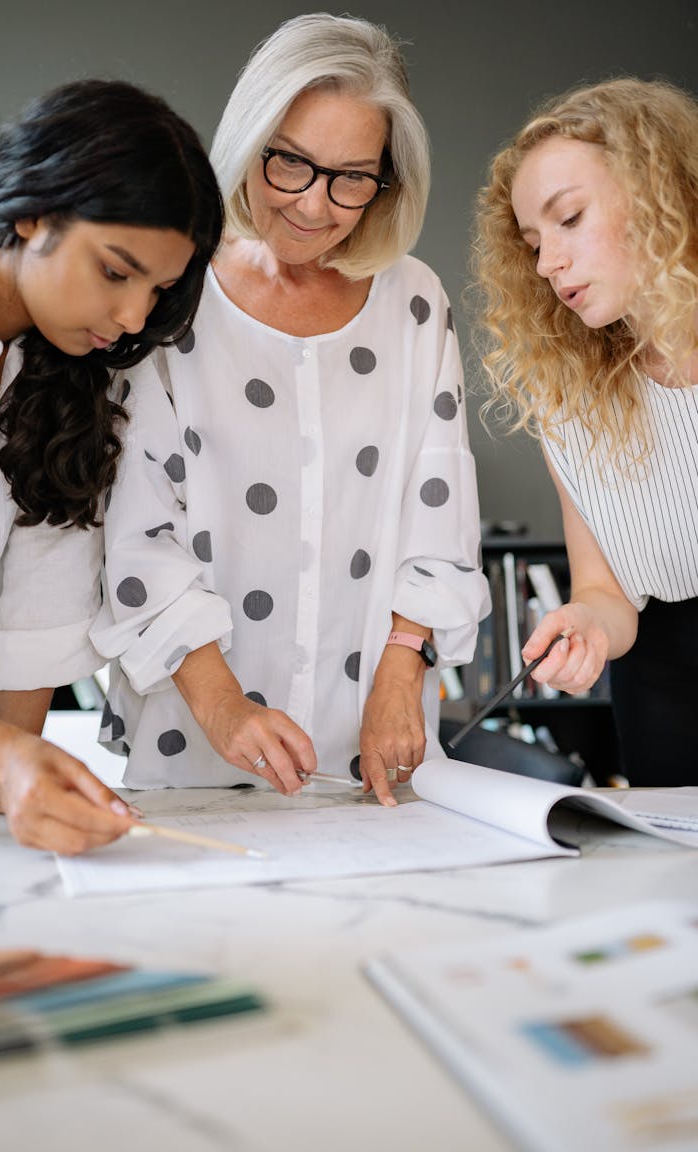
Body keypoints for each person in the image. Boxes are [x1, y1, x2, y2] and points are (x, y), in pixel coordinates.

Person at [91, 13, 490, 807]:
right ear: (251, 140)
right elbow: (137, 529)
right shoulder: (173, 290)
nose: (316, 205)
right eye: (292, 165)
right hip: (198, 740)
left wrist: (399, 672)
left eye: (352, 177)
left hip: (379, 740)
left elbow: (437, 514)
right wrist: (224, 706)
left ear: (385, 180)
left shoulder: (414, 302)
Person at [0, 77, 224, 850]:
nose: (133, 318)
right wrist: (7, 758)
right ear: (33, 213)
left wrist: (8, 789)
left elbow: (37, 605)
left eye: (157, 290)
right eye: (116, 271)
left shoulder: (71, 367)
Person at [472, 76, 698, 786]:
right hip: (663, 696)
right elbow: (607, 590)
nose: (546, 264)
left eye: (568, 219)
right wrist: (589, 626)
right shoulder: (572, 400)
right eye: (533, 242)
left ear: (662, 190)